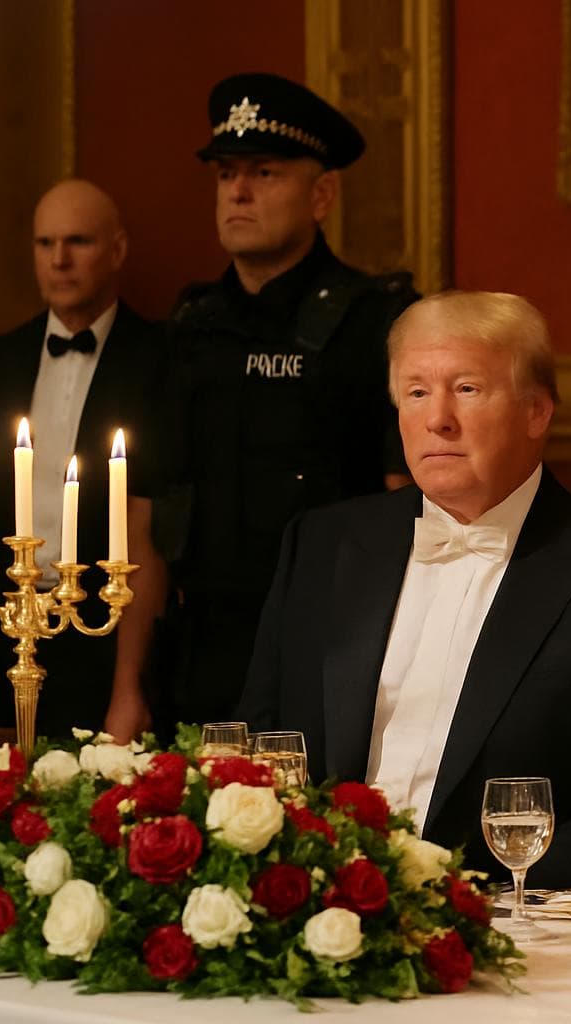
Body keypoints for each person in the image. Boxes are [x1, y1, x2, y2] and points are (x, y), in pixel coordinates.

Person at [238, 291, 571, 892]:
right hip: (320, 909)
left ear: (537, 411)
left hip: (521, 920)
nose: (437, 419)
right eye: (417, 392)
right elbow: (256, 748)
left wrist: (461, 893)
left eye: (467, 389)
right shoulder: (322, 544)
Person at [152, 73, 418, 729]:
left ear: (321, 195)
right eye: (226, 174)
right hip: (203, 645)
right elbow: (153, 508)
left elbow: (408, 504)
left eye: (264, 173)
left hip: (334, 637)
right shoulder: (193, 325)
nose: (237, 192)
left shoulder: (375, 322)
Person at [0, 179, 166, 740]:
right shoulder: (2, 358)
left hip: (100, 628)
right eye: (45, 243)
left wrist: (129, 684)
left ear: (117, 250)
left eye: (78, 241)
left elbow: (146, 525)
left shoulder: (156, 358)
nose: (59, 260)